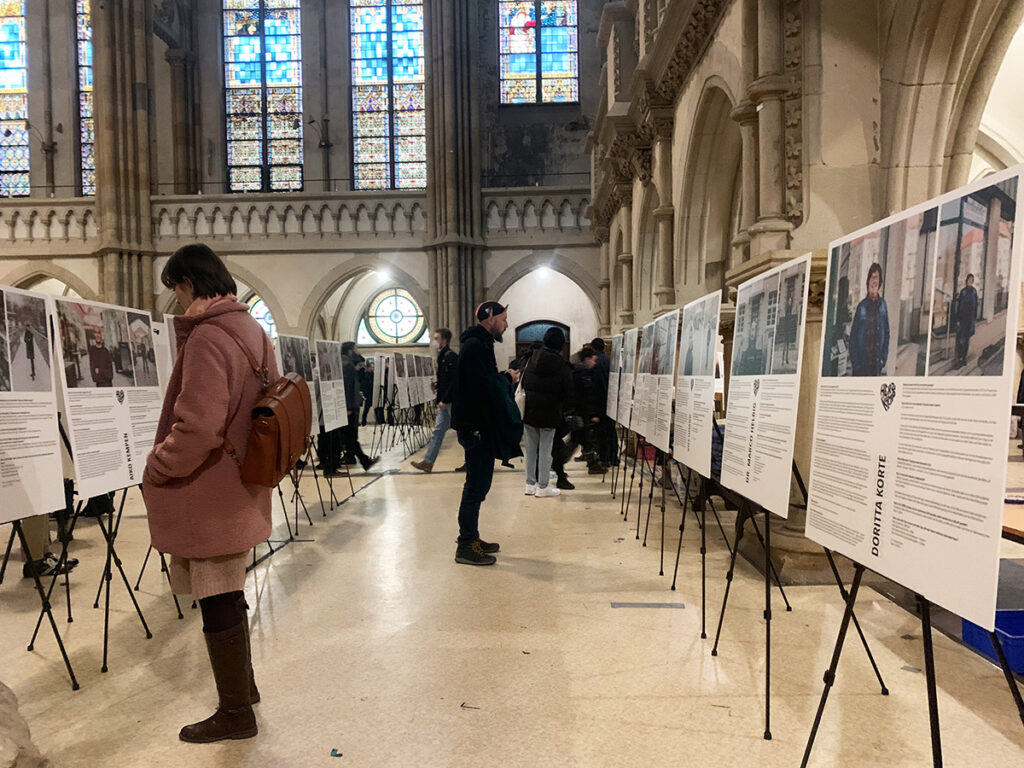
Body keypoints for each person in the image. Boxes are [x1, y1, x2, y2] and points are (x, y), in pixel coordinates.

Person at [142, 243, 278, 744]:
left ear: (188, 284)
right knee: (229, 585)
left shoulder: (207, 338)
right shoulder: (251, 330)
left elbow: (198, 427)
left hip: (210, 487)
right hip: (242, 481)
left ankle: (235, 712)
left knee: (216, 593)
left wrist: (158, 466)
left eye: (175, 291)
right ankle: (245, 688)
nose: (176, 304)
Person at [450, 301, 523, 565]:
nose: (506, 324)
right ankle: (465, 545)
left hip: (477, 425)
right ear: (489, 317)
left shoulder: (480, 345)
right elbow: (482, 387)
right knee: (475, 487)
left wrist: (502, 376)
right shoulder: (475, 346)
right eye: (504, 319)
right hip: (475, 427)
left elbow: (482, 382)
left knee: (480, 485)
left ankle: (473, 536)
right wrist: (506, 379)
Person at [521, 327, 573, 498]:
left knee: (530, 449)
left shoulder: (532, 359)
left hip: (530, 411)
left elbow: (525, 383)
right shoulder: (560, 364)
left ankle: (530, 484)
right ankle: (543, 486)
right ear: (560, 345)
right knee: (545, 449)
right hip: (550, 413)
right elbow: (567, 391)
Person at [412, 328, 458, 472]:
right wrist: (437, 385)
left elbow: (453, 381)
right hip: (445, 401)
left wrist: (444, 399)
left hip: (449, 402)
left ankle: (472, 460)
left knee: (462, 432)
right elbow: (445, 379)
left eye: (436, 338)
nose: (434, 341)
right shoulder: (443, 355)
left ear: (443, 340)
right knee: (438, 431)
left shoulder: (450, 356)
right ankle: (428, 462)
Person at [341, 343, 379, 472]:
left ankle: (359, 459)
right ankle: (363, 461)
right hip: (348, 406)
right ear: (350, 350)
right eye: (355, 349)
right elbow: (347, 387)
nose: (357, 351)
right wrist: (347, 406)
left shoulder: (349, 363)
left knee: (350, 437)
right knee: (350, 436)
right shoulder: (347, 365)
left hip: (349, 405)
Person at [849, 262, 890, 377]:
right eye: (872, 277)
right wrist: (855, 363)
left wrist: (883, 359)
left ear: (880, 283)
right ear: (868, 281)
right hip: (861, 367)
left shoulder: (883, 305)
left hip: (876, 367)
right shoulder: (861, 306)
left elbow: (886, 334)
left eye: (877, 278)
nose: (874, 281)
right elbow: (853, 337)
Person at [590, 336, 617, 467]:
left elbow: (594, 384)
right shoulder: (611, 360)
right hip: (611, 399)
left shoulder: (595, 362)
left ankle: (605, 458)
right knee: (611, 430)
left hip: (600, 401)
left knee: (601, 432)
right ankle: (614, 457)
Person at [955, 273, 978, 369]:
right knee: (960, 339)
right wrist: (958, 319)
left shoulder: (974, 292)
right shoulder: (963, 292)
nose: (970, 281)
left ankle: (963, 358)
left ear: (973, 281)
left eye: (972, 280)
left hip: (970, 320)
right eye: (969, 279)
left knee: (966, 340)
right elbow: (959, 306)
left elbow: (976, 306)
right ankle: (959, 358)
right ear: (966, 280)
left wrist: (974, 319)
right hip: (962, 319)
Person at [359, 359, 374, 426]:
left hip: (372, 393)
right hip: (368, 394)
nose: (373, 368)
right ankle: (363, 422)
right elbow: (364, 385)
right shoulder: (365, 375)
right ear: (368, 367)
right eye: (371, 367)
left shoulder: (372, 374)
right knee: (366, 409)